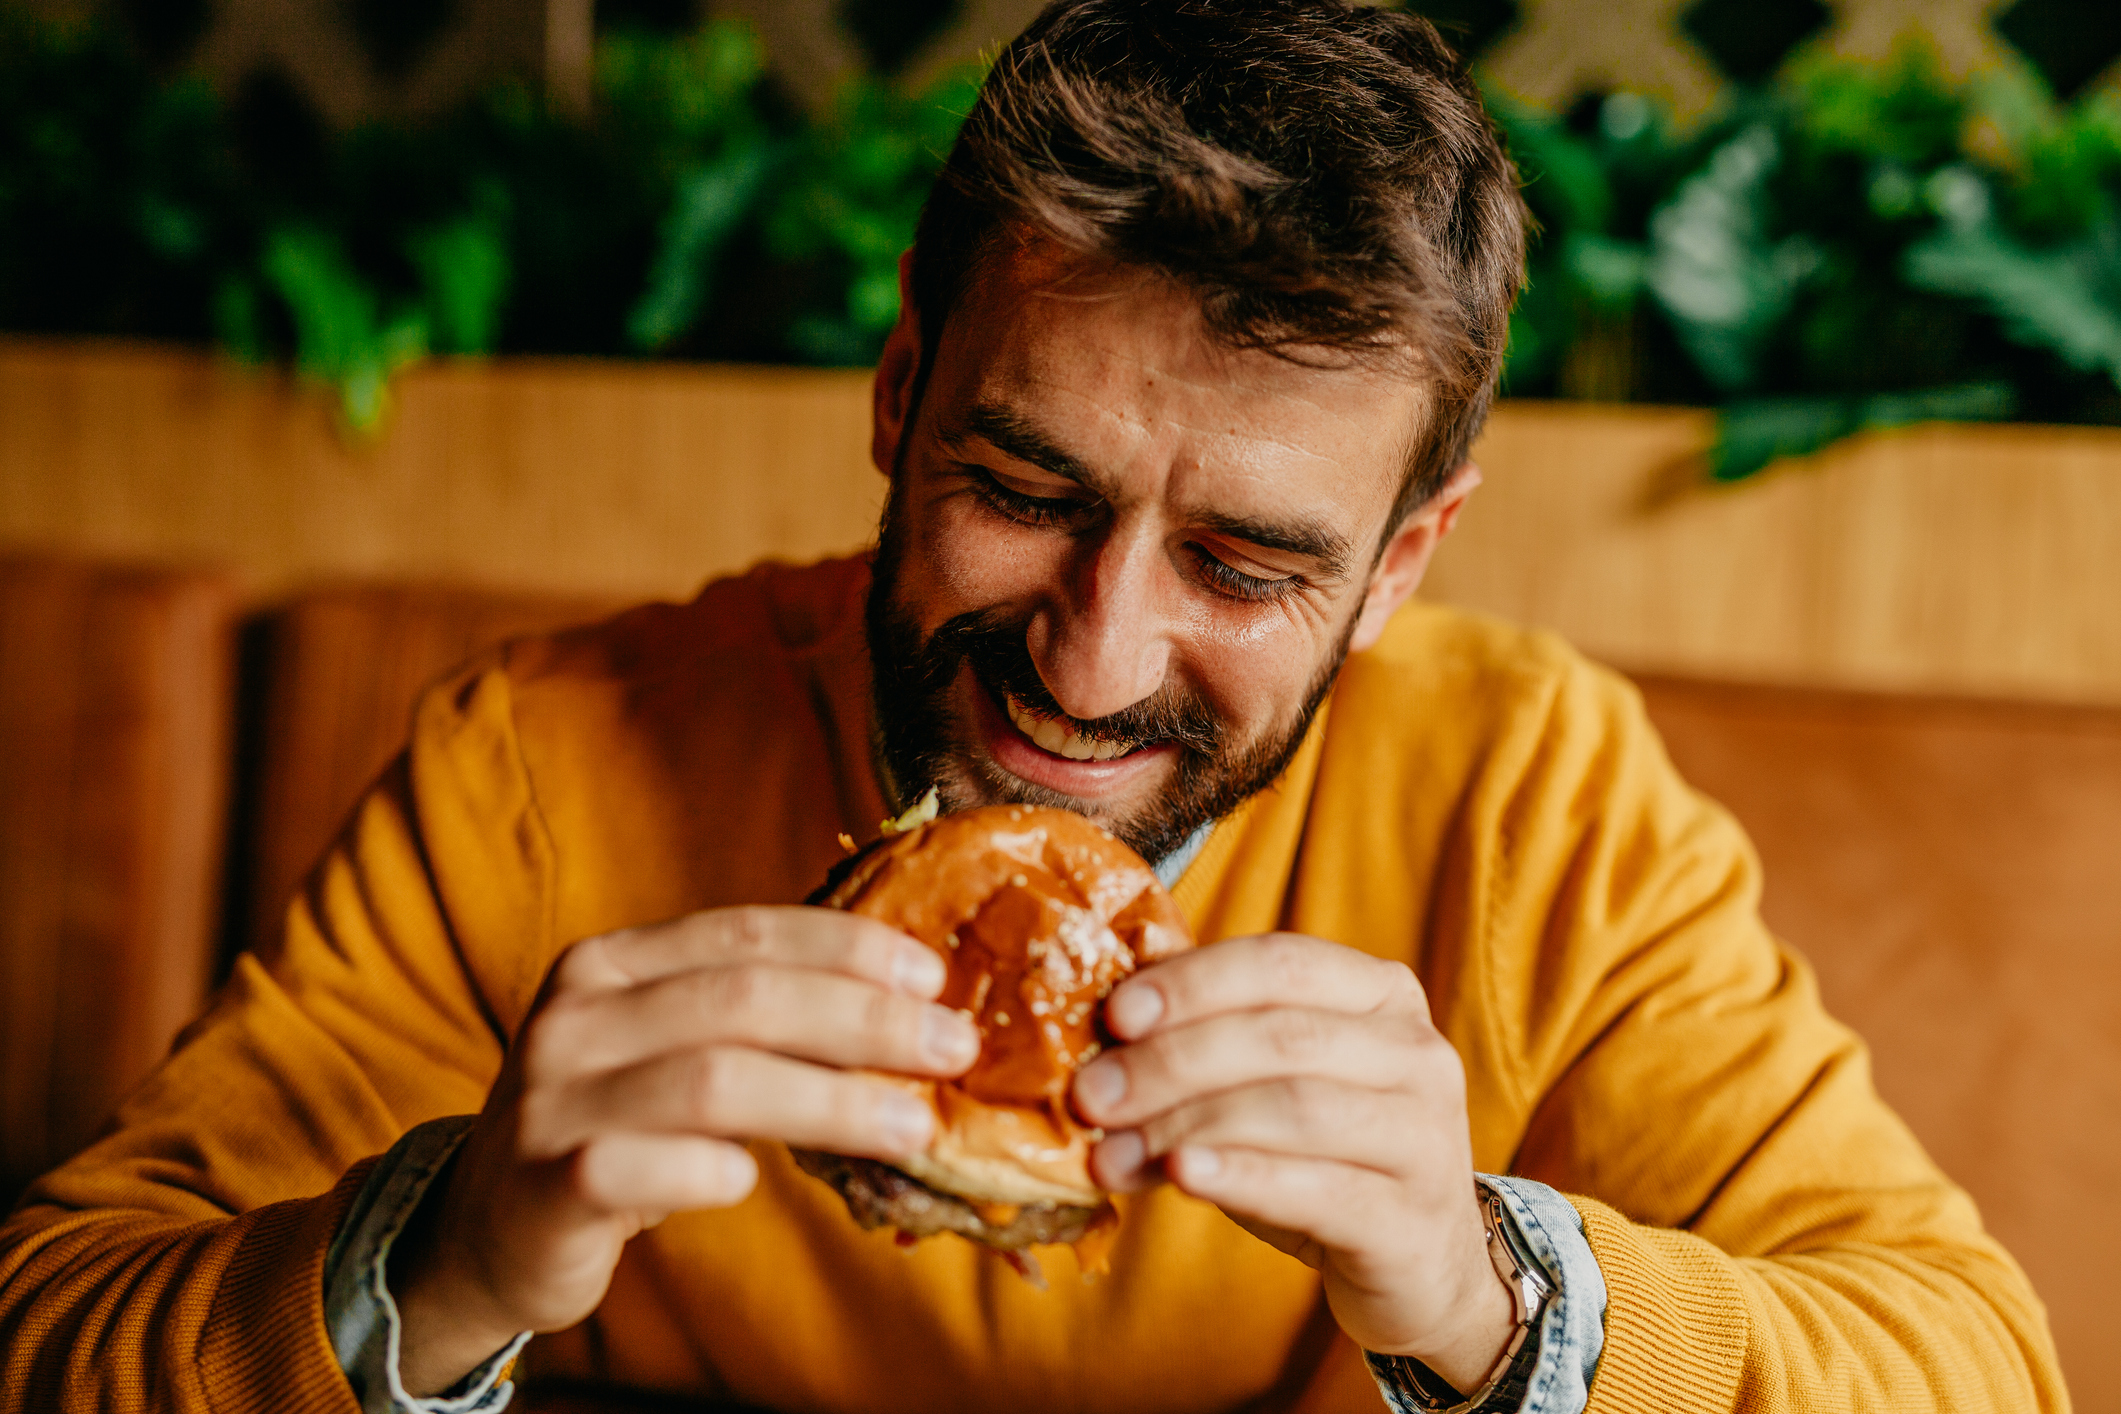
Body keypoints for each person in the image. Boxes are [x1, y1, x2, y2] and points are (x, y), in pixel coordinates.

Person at [0, 3, 2066, 1412]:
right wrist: (444, 1250)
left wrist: (1483, 1285)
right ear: (899, 395)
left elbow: (1968, 1359)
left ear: (1402, 560)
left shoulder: (1533, 797)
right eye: (1018, 489)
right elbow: (51, 1327)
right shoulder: (543, 762)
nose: (1088, 659)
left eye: (1247, 566)